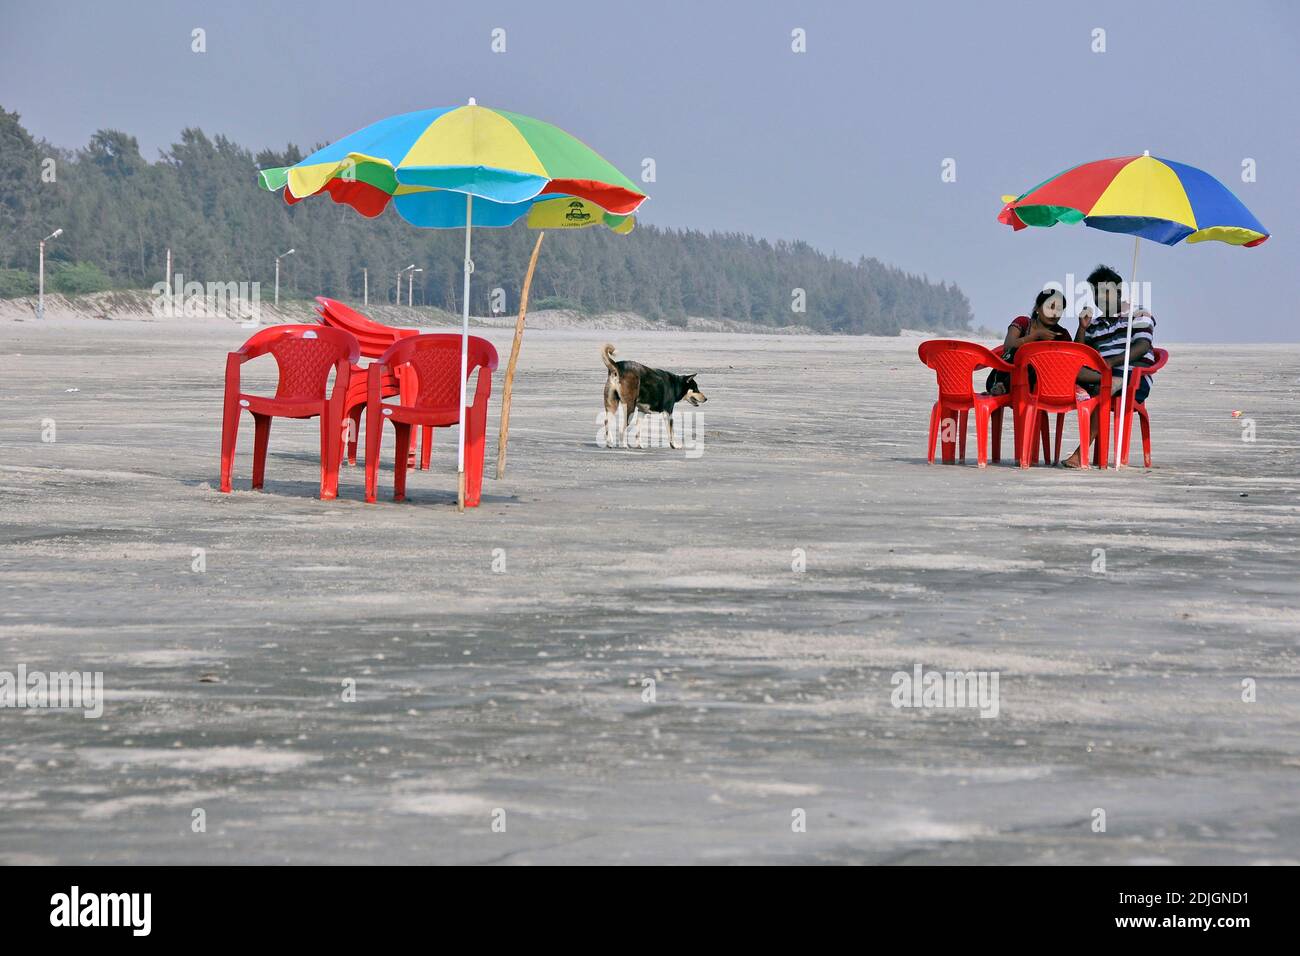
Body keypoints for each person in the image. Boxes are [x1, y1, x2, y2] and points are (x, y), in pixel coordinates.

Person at [1063, 264, 1156, 468]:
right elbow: (1078, 354)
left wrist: (1111, 363)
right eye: (1096, 294)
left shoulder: (1138, 315)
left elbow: (1142, 346)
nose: (1100, 299)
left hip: (1134, 379)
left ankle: (1081, 453)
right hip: (1102, 375)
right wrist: (1082, 328)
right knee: (1069, 371)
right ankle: (1101, 385)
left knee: (1105, 387)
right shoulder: (1095, 324)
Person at [986, 288, 1072, 396]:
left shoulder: (1062, 334)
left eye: (1059, 309)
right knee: (1026, 356)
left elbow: (1071, 362)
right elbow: (1008, 346)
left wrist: (1082, 328)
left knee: (1039, 362)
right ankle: (1002, 386)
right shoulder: (1022, 322)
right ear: (1037, 308)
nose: (1054, 313)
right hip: (1000, 379)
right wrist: (1035, 336)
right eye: (1050, 307)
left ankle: (1006, 387)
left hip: (1040, 386)